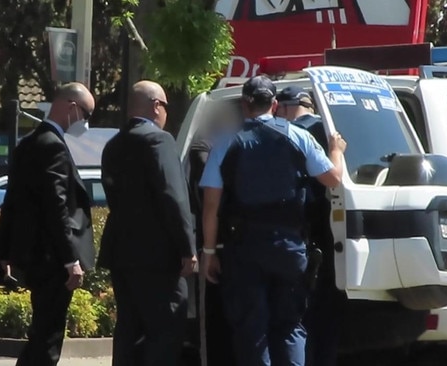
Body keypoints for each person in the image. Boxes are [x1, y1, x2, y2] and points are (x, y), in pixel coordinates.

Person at [200, 76, 347, 366]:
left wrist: (209, 253)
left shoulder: (226, 142)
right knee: (291, 326)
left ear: (244, 105)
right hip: (289, 246)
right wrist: (336, 151)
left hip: (244, 249)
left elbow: (210, 206)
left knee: (252, 331)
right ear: (275, 105)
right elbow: (334, 179)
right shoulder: (298, 136)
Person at [0, 82, 97, 366]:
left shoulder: (28, 143)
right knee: (48, 339)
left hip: (35, 257)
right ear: (71, 107)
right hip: (52, 260)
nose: (86, 122)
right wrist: (70, 260)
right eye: (86, 114)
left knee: (41, 334)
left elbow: (12, 202)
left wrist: (4, 251)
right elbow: (56, 207)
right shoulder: (53, 146)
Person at [99, 80, 197, 366]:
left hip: (122, 254)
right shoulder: (159, 140)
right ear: (157, 106)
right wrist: (187, 248)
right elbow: (173, 197)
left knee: (129, 329)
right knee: (166, 330)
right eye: (166, 106)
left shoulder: (113, 145)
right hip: (158, 257)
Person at [276, 86, 348, 366]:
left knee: (297, 319)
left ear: (283, 107)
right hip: (332, 236)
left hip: (297, 236)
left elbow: (333, 177)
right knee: (327, 316)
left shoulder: (288, 133)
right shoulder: (330, 131)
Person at [188, 119, 240, 366]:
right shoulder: (205, 146)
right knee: (216, 324)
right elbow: (209, 202)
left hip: (230, 246)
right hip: (219, 246)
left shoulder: (226, 145)